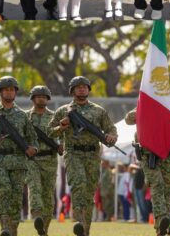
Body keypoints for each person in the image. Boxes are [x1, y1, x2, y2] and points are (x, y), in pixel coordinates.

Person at [48, 76, 118, 236]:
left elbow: (111, 129)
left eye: (85, 86)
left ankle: (85, 230)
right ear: (72, 90)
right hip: (73, 153)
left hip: (93, 154)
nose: (82, 89)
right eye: (78, 87)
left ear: (88, 89)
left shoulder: (99, 111)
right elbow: (48, 131)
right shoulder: (63, 111)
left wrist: (111, 137)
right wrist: (62, 126)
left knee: (89, 193)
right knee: (79, 185)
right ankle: (79, 221)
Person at [125, 90, 170, 235]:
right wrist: (145, 107)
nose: (166, 102)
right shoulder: (146, 110)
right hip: (151, 158)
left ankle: (168, 225)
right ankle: (162, 219)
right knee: (157, 185)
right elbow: (128, 119)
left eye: (169, 99)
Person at [0, 76, 39, 236]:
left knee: (16, 196)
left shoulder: (22, 115)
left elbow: (33, 138)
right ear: (0, 92)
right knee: (4, 189)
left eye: (12, 89)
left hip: (18, 161)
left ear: (15, 92)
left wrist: (33, 149)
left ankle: (12, 231)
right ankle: (4, 228)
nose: (9, 92)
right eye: (6, 89)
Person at [26, 86, 61, 236]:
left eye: (44, 96)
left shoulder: (55, 117)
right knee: (34, 188)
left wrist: (62, 145)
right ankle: (37, 216)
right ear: (33, 98)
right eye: (38, 96)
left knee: (48, 196)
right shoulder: (25, 117)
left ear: (48, 99)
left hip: (50, 159)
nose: (41, 98)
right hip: (31, 159)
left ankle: (43, 229)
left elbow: (63, 134)